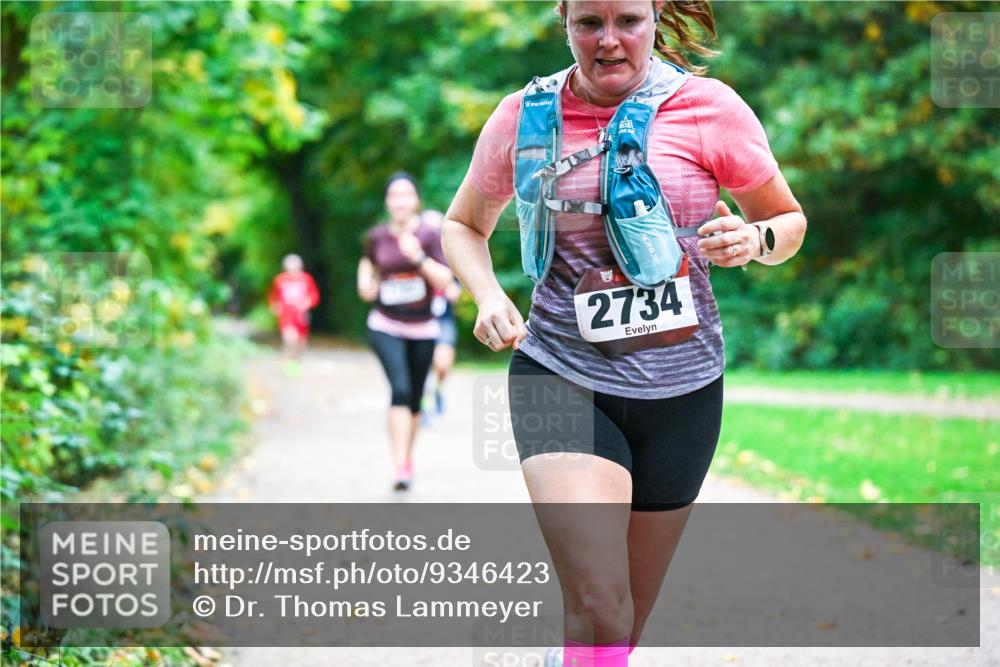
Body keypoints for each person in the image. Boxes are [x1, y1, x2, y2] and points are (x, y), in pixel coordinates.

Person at [441, 2, 806, 665]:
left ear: (656, 14)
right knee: (601, 601)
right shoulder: (524, 117)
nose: (609, 41)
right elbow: (462, 224)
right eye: (589, 23)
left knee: (621, 624)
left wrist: (754, 239)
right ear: (563, 18)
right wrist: (488, 295)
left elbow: (787, 222)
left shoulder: (710, 110)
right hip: (558, 373)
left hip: (684, 390)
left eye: (628, 21)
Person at [357, 173, 454, 491]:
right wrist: (366, 283)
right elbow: (369, 264)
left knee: (413, 397)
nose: (400, 201)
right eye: (394, 195)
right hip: (385, 324)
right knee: (399, 390)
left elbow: (445, 281)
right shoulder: (377, 236)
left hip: (423, 327)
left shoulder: (429, 235)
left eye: (406, 195)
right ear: (387, 202)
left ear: (416, 200)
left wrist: (418, 258)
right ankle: (400, 465)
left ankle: (407, 458)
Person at [421, 209, 463, 416]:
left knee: (442, 364)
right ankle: (422, 403)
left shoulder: (449, 256)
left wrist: (450, 289)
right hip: (419, 318)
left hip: (443, 318)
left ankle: (436, 390)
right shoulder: (413, 257)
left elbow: (456, 291)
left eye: (437, 229)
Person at [267, 253, 320, 370]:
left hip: (301, 316)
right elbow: (273, 297)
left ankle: (296, 362)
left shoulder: (306, 279)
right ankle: (288, 364)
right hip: (286, 315)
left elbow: (314, 296)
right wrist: (275, 306)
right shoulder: (280, 280)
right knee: (290, 339)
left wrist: (307, 302)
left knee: (301, 342)